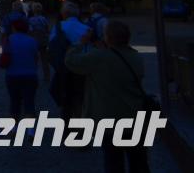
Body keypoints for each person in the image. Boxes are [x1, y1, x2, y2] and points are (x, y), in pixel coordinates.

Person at [65, 21, 154, 173]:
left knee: (113, 162)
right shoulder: (135, 56)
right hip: (135, 116)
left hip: (110, 119)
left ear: (108, 38)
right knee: (139, 162)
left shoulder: (100, 57)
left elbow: (71, 61)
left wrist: (80, 43)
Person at [0, 14, 40, 119]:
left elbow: (5, 55)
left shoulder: (8, 40)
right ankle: (30, 130)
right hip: (30, 74)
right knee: (29, 102)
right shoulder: (32, 40)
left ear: (13, 28)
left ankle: (14, 128)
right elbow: (36, 58)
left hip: (12, 74)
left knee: (14, 102)